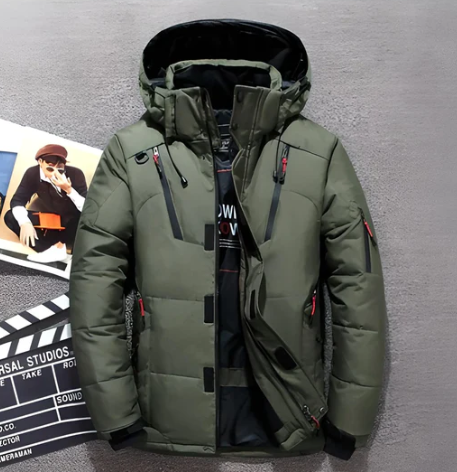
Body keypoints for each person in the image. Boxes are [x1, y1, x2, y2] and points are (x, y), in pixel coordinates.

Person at [69, 19, 387, 460]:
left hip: (288, 408)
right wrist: (115, 413)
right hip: (168, 411)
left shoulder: (318, 154)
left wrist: (349, 420)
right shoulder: (133, 152)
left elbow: (358, 285)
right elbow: (94, 281)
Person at [4, 144, 87, 263]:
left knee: (84, 218)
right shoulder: (32, 173)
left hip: (72, 223)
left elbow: (88, 209)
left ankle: (59, 248)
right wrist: (25, 222)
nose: (54, 174)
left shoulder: (75, 174)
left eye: (60, 170)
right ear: (40, 162)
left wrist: (69, 190)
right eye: (50, 169)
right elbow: (18, 200)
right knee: (10, 216)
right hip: (51, 220)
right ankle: (51, 251)